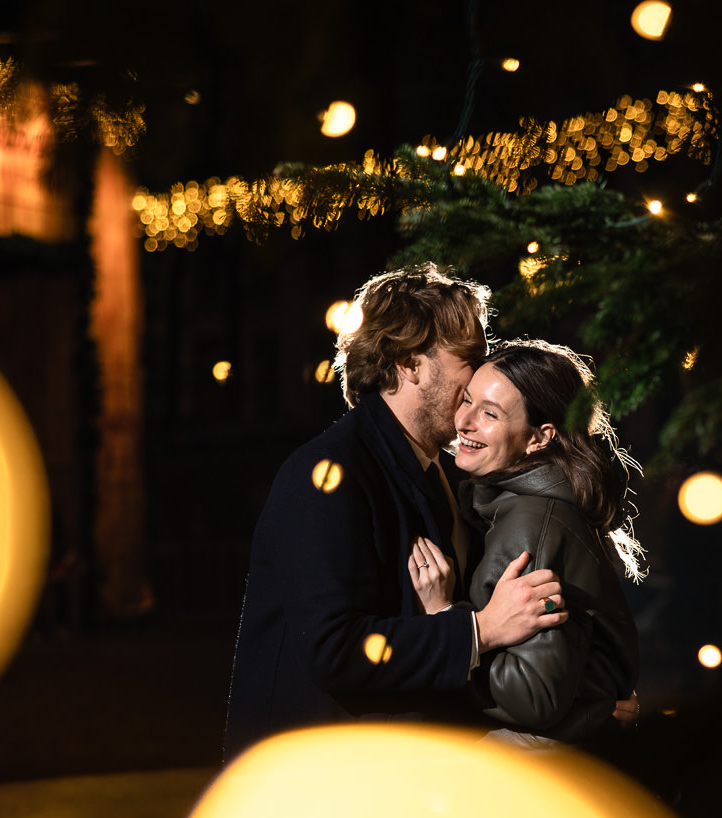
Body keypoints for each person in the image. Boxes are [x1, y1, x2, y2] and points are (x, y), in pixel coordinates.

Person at [224, 266, 570, 759]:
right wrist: (482, 629)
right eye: (469, 358)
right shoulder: (330, 473)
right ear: (411, 364)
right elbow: (335, 650)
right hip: (327, 790)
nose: (484, 373)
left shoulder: (438, 469)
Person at [408, 340, 644, 746]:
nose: (463, 421)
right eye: (466, 400)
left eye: (490, 413)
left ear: (539, 437)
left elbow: (535, 697)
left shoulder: (532, 523)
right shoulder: (525, 508)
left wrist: (445, 620)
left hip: (530, 766)